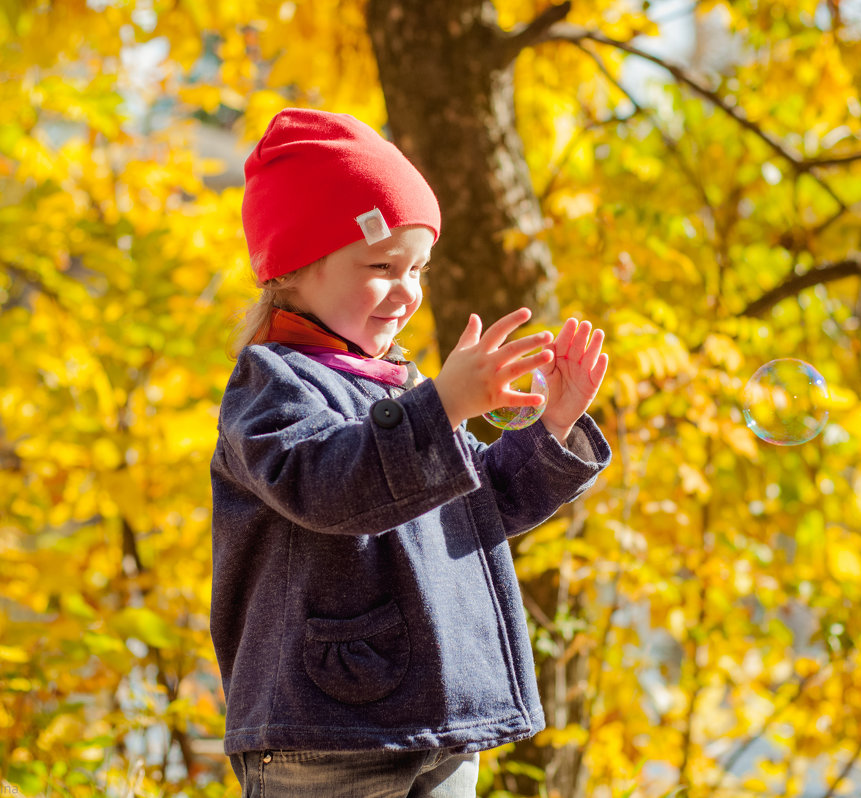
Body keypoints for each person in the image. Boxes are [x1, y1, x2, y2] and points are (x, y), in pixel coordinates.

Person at [210, 108, 612, 798]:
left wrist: (551, 429)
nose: (406, 292)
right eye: (382, 266)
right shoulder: (270, 383)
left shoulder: (405, 384)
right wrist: (445, 406)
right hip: (327, 724)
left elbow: (474, 508)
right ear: (295, 270)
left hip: (439, 715)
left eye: (418, 268)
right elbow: (330, 486)